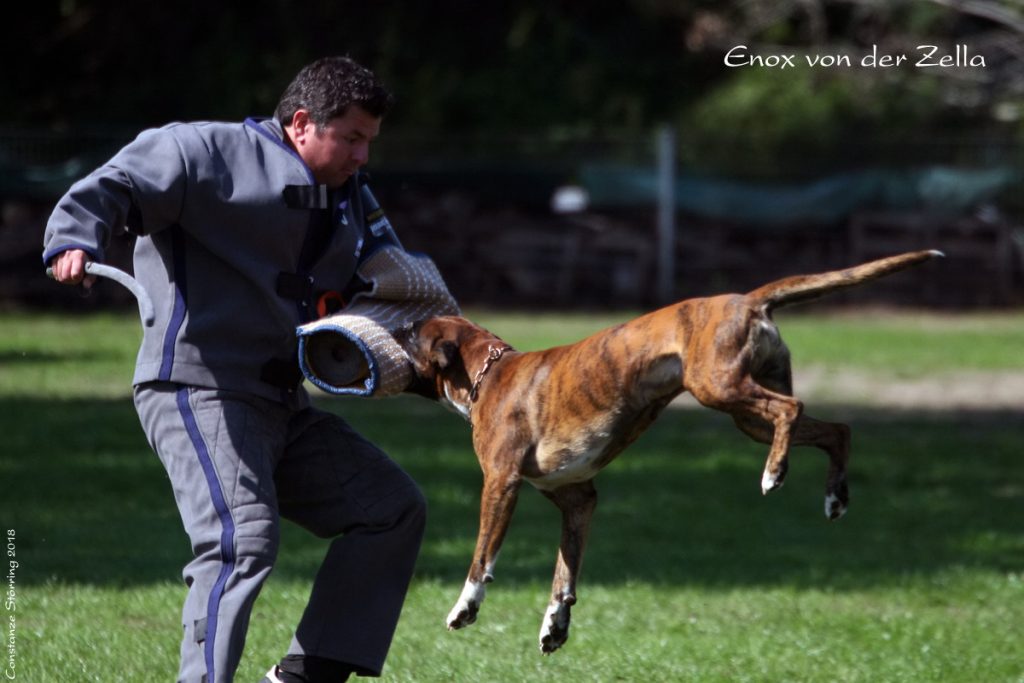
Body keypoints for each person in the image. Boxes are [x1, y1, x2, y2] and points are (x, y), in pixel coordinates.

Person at [43, 56, 432, 683]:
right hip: (197, 389)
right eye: (352, 138)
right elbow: (114, 183)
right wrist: (74, 237)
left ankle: (306, 676)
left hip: (283, 405)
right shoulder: (203, 151)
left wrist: (428, 319)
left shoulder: (350, 195)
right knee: (240, 542)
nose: (363, 157)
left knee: (390, 508)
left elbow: (391, 267)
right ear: (303, 123)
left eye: (369, 142)